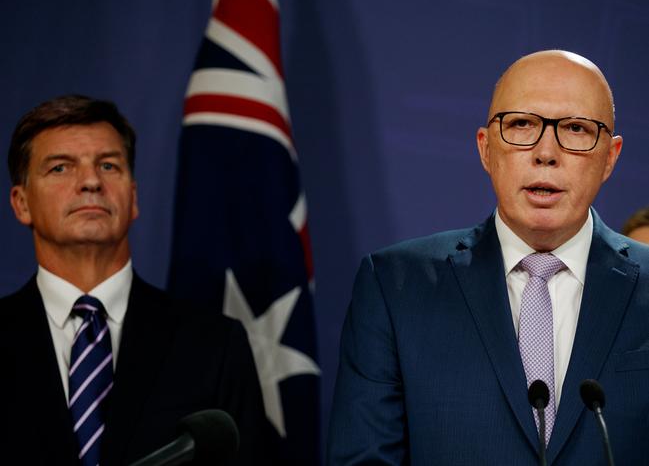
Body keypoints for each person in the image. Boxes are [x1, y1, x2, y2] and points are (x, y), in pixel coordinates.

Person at [327, 51, 649, 465]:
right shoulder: (396, 288)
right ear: (485, 148)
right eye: (521, 125)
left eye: (575, 129)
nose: (546, 152)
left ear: (610, 157)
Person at [0, 95, 267, 465]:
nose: (91, 181)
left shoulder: (215, 346)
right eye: (60, 168)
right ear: (21, 203)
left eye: (109, 166)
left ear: (134, 197)